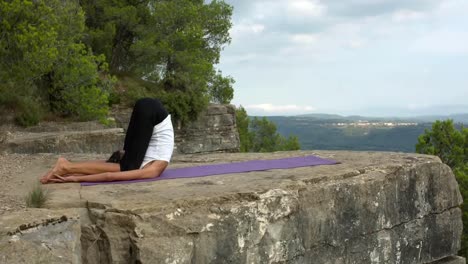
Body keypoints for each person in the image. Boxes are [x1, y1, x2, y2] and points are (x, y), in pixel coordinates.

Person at [40, 98, 174, 184]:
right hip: (154, 115)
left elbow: (110, 174)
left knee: (126, 166)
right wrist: (74, 178)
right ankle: (65, 166)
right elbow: (109, 176)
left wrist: (74, 176)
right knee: (127, 168)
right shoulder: (152, 171)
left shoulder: (144, 163)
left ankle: (66, 167)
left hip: (149, 108)